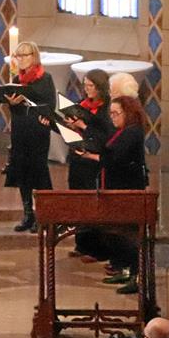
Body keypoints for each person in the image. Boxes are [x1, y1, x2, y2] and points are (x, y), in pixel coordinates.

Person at [76, 95, 148, 294]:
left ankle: (137, 275)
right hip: (117, 188)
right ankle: (127, 269)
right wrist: (90, 154)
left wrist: (93, 153)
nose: (113, 118)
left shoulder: (133, 132)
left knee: (129, 235)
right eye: (111, 114)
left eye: (117, 113)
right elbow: (109, 153)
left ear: (129, 113)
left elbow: (115, 158)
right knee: (117, 233)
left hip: (128, 191)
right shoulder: (123, 131)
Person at [41, 69, 114, 260]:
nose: (87, 89)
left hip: (94, 162)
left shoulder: (107, 109)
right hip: (78, 160)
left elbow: (105, 137)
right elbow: (70, 134)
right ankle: (82, 244)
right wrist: (51, 123)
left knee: (92, 204)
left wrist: (83, 126)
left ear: (100, 88)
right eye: (85, 85)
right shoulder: (82, 106)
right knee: (78, 202)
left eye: (91, 86)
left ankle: (98, 250)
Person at [3, 41, 56, 233]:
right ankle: (28, 214)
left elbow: (50, 106)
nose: (21, 59)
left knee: (38, 172)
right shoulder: (17, 79)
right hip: (20, 131)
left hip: (38, 132)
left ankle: (46, 215)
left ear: (34, 57)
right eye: (18, 56)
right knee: (22, 172)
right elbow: (15, 110)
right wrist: (13, 103)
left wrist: (42, 114)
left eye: (25, 55)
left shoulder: (45, 78)